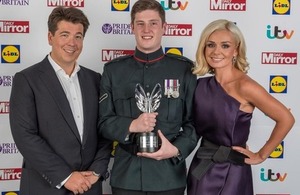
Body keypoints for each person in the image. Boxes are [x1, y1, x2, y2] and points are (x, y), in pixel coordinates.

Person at [98, 0, 198, 194]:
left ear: (164, 28)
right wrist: (131, 126)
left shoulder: (184, 70)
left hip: (169, 177)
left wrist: (176, 150)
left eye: (153, 23)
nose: (147, 29)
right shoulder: (113, 71)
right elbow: (103, 122)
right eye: (140, 23)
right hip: (127, 177)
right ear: (132, 28)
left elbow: (194, 122)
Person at [9, 6, 111, 195]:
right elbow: (25, 135)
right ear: (50, 37)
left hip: (89, 187)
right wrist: (65, 176)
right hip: (45, 188)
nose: (72, 43)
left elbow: (104, 129)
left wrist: (97, 170)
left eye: (78, 36)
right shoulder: (27, 79)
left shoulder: (95, 80)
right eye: (64, 34)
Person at [187, 19, 295, 195]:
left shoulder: (245, 86)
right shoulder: (200, 85)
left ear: (236, 50)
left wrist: (261, 155)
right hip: (202, 168)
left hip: (233, 171)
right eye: (211, 45)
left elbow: (286, 118)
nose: (216, 52)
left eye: (225, 46)